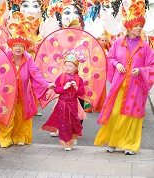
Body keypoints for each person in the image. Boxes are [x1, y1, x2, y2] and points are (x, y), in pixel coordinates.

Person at [94, 0, 154, 155]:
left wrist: (140, 70)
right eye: (136, 26)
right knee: (114, 113)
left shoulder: (145, 47)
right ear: (128, 27)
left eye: (140, 25)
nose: (139, 28)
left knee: (132, 115)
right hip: (119, 84)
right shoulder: (118, 43)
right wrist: (116, 64)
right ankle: (113, 142)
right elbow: (110, 58)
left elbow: (152, 66)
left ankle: (130, 145)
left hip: (136, 86)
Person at [0, 35, 55, 148]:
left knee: (21, 116)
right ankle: (4, 138)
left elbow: (36, 73)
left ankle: (19, 137)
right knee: (6, 115)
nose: (18, 48)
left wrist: (47, 84)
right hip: (7, 94)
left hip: (22, 93)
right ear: (11, 47)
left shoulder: (28, 59)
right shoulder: (3, 57)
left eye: (21, 46)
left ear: (25, 48)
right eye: (16, 46)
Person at [42, 49, 85, 151]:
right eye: (66, 65)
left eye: (70, 66)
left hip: (73, 104)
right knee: (64, 122)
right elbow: (56, 90)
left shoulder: (79, 79)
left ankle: (73, 136)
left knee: (74, 122)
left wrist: (76, 88)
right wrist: (64, 88)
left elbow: (82, 93)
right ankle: (66, 142)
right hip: (62, 104)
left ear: (76, 67)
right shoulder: (61, 77)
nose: (68, 67)